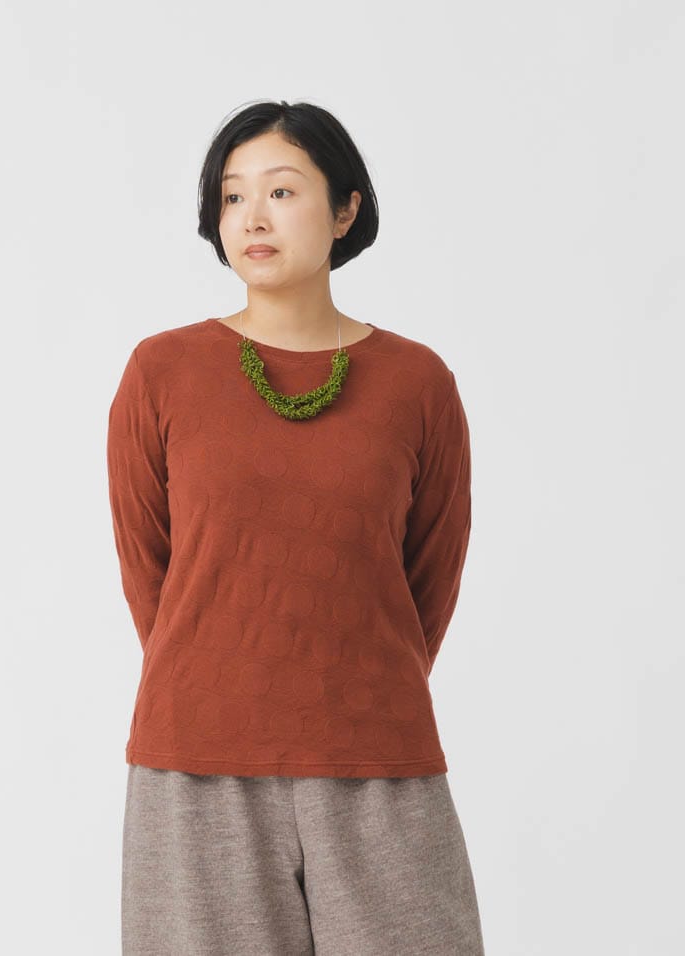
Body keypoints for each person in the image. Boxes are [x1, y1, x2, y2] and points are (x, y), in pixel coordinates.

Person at [107, 99, 485, 955]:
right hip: (195, 765)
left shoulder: (419, 383)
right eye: (232, 196)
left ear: (345, 209)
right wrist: (219, 674)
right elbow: (150, 573)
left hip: (379, 760)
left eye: (281, 191)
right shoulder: (161, 371)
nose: (253, 217)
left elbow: (429, 577)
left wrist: (356, 680)